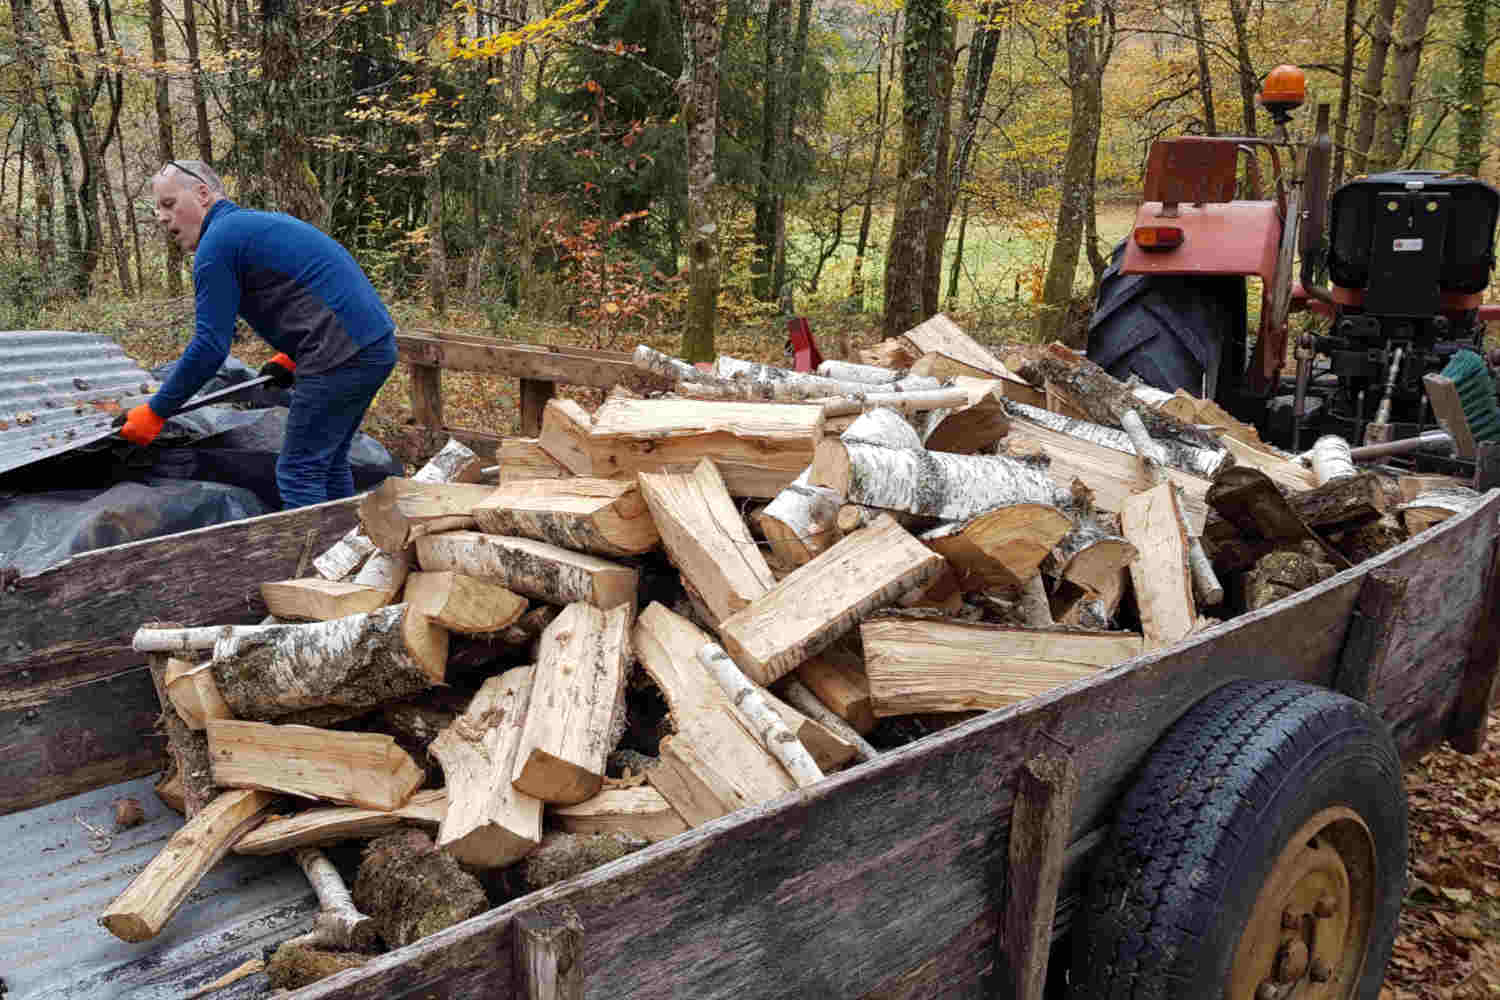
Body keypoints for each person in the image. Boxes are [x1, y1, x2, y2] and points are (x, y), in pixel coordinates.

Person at [120, 160, 399, 509]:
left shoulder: (217, 244)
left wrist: (156, 411)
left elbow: (210, 348)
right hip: (372, 346)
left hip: (339, 354)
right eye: (158, 208)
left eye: (169, 203)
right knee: (326, 463)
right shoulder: (250, 227)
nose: (162, 217)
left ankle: (312, 561)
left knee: (299, 472)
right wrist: (290, 357)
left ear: (203, 194)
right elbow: (316, 288)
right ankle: (347, 550)